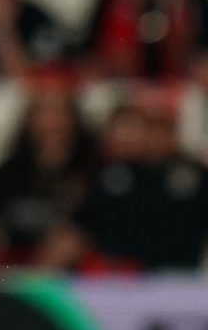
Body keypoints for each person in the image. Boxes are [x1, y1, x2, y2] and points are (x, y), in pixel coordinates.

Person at [38, 99, 208, 272]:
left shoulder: (195, 177)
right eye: (150, 128)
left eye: (164, 129)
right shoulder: (111, 175)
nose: (157, 136)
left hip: (179, 279)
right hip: (117, 279)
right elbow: (80, 228)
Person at [0, 85, 98, 266]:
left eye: (57, 112)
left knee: (68, 243)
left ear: (73, 118)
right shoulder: (11, 169)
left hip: (67, 269)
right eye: (43, 112)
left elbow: (92, 226)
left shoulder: (92, 168)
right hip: (13, 256)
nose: (50, 122)